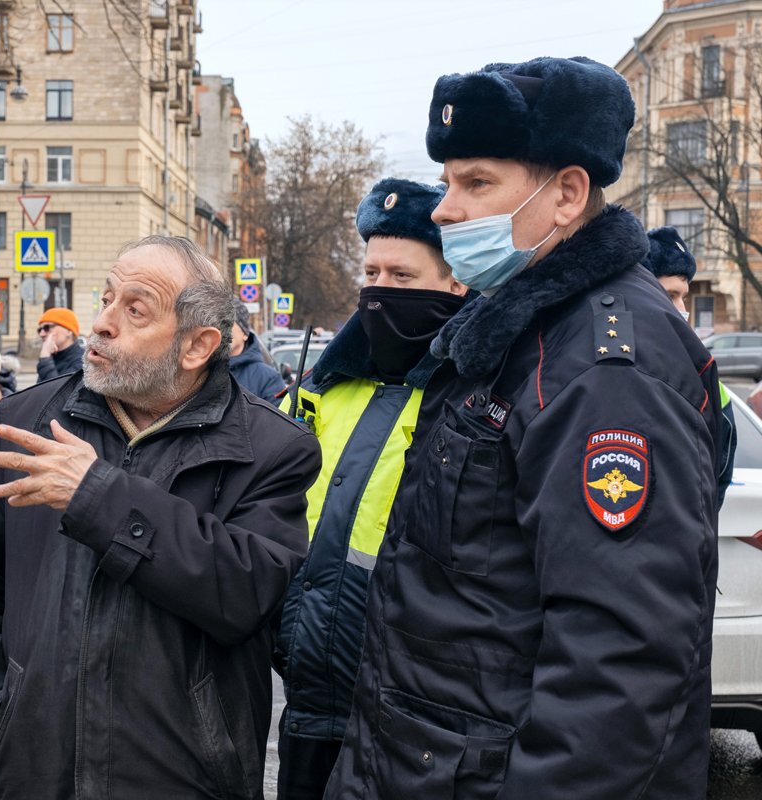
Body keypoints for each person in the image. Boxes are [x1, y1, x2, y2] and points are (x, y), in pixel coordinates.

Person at [326, 57, 723, 799]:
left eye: (475, 183)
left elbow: (618, 667)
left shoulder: (604, 370)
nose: (444, 209)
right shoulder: (516, 331)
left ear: (567, 194)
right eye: (447, 182)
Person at [0, 235, 321, 799]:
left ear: (197, 345)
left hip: (185, 780)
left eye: (134, 309)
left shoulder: (269, 447)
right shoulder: (24, 422)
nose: (104, 323)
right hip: (31, 772)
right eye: (107, 298)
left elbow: (243, 594)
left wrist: (98, 495)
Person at [274, 179, 466, 799]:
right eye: (372, 272)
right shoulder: (322, 388)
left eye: (403, 277)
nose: (380, 291)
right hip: (308, 699)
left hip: (414, 713)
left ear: (457, 283)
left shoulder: (469, 393)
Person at [641, 225, 736, 508]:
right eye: (670, 294)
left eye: (684, 295)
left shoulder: (703, 372)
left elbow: (716, 477)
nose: (681, 307)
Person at [228, 298, 285, 403]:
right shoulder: (199, 370)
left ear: (245, 333)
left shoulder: (268, 378)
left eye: (228, 323)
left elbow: (276, 417)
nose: (220, 329)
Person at [35, 307, 84, 381]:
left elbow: (59, 390)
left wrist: (45, 357)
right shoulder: (52, 357)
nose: (42, 334)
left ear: (69, 331)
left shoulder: (82, 361)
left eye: (47, 327)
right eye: (39, 330)